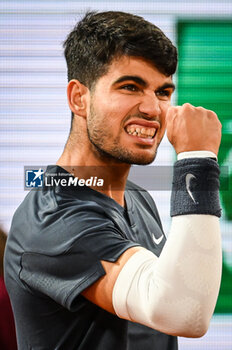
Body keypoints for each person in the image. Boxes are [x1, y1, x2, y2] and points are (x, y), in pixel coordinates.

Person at [4, 11, 222, 350]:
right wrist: (197, 160)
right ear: (79, 97)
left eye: (163, 92)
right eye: (130, 87)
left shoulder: (136, 196)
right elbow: (182, 313)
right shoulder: (53, 219)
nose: (153, 109)